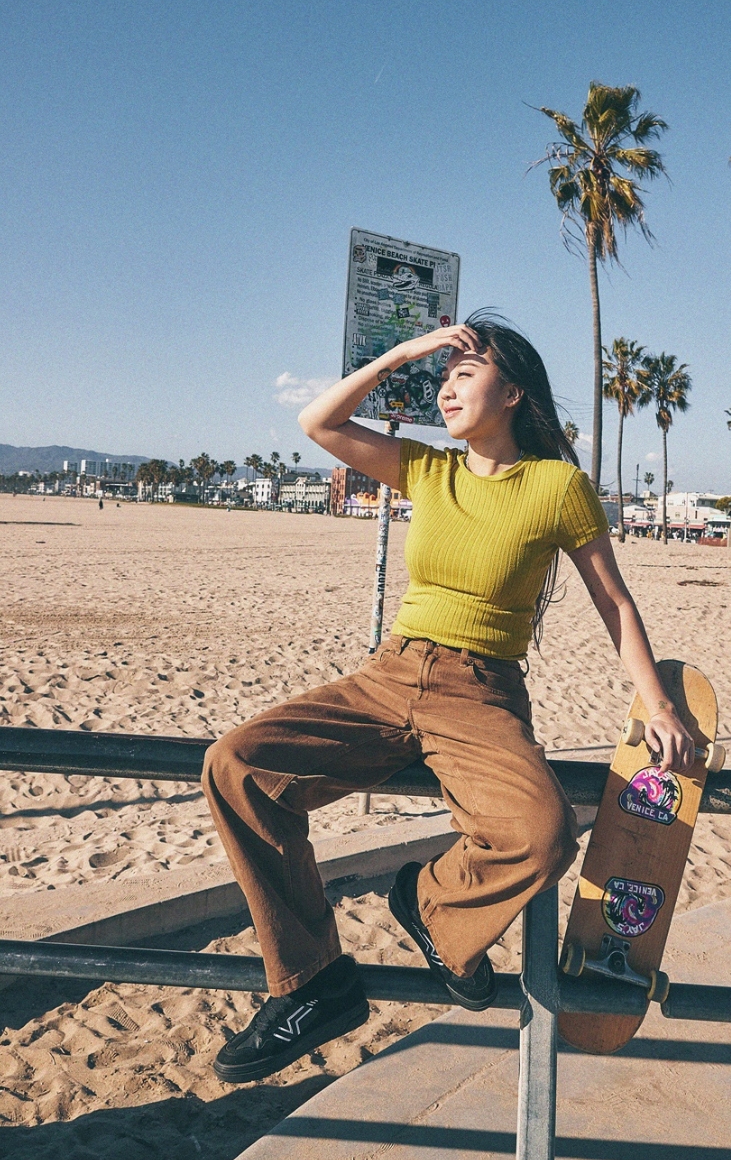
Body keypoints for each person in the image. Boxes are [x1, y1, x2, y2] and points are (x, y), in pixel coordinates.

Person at [200, 317, 699, 1084]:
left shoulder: (556, 486)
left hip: (481, 691)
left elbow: (614, 603)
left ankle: (430, 902)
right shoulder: (427, 470)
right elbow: (318, 421)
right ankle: (313, 983)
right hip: (388, 675)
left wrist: (658, 702)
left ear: (514, 391)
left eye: (468, 372)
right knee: (238, 766)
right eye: (445, 375)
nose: (448, 385)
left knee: (540, 834)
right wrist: (403, 355)